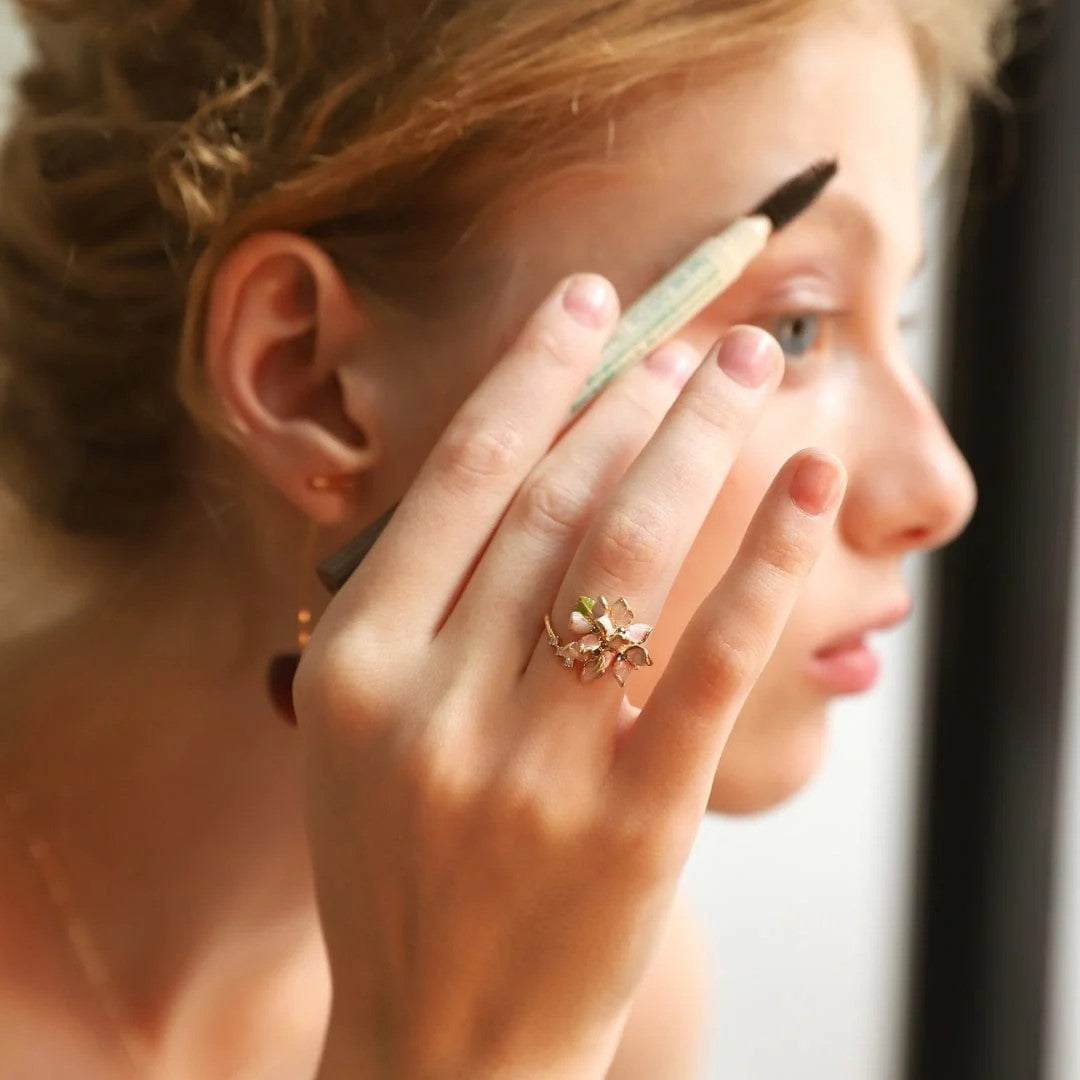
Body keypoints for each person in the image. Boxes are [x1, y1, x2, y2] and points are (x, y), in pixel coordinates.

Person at [0, 0, 1012, 1076]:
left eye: (891, 317)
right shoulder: (552, 1002)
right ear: (312, 376)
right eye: (792, 326)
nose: (940, 488)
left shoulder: (611, 986)